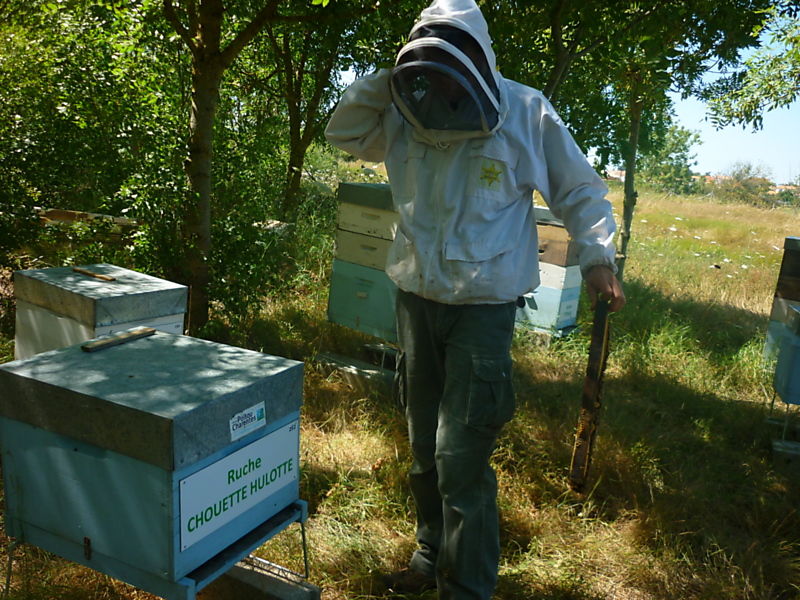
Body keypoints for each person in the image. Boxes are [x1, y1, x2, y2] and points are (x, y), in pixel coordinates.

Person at [325, 0, 625, 598]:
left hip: (484, 308)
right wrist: (397, 77)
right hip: (415, 295)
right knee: (421, 444)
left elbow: (579, 188)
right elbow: (343, 131)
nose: (437, 85)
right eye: (425, 69)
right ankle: (429, 552)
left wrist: (596, 258)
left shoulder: (523, 110)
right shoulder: (405, 105)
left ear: (477, 62)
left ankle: (466, 588)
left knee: (460, 455)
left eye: (446, 68)